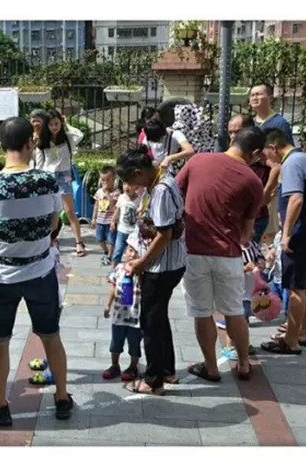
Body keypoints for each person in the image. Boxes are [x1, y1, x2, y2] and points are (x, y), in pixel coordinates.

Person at [0, 116, 73, 426]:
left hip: (1, 276)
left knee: (0, 340)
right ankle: (61, 397)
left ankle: (0, 404)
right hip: (40, 272)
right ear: (31, 143)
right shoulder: (47, 181)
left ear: (1, 145)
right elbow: (55, 224)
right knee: (51, 336)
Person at [175, 127, 266, 383]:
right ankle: (244, 364)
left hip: (193, 251)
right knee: (234, 310)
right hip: (229, 254)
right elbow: (246, 234)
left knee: (202, 311)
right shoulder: (253, 182)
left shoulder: (197, 161)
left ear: (232, 140)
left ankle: (211, 367)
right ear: (255, 153)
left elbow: (175, 192)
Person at [115, 147, 186, 395]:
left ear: (139, 172)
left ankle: (153, 380)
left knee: (151, 322)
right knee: (159, 318)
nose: (130, 186)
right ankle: (167, 370)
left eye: (130, 180)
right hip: (167, 263)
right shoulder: (159, 180)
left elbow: (164, 235)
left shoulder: (161, 190)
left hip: (162, 266)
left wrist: (142, 263)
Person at [260, 128, 306, 355]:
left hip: (300, 233)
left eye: (266, 154)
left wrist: (286, 233)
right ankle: (301, 332)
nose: (267, 160)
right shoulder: (305, 158)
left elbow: (296, 199)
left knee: (296, 287)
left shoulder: (291, 164)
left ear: (273, 147)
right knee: (305, 285)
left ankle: (290, 341)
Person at [31, 109, 87, 257]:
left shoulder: (68, 138)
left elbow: (80, 135)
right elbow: (39, 165)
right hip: (49, 176)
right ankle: (51, 240)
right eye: (51, 124)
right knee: (51, 211)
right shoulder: (43, 142)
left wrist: (66, 124)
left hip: (65, 175)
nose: (54, 127)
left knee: (69, 211)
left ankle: (79, 242)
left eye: (56, 123)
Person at [228, 114, 275, 244]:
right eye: (230, 132)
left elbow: (276, 167)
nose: (233, 136)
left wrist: (266, 192)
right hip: (239, 214)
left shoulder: (258, 152)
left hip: (256, 217)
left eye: (237, 132)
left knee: (247, 251)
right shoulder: (233, 152)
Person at [102, 241, 143, 382]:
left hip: (135, 316)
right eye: (130, 250)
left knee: (134, 344)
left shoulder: (143, 271)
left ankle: (133, 367)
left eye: (136, 252)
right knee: (115, 343)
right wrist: (108, 305)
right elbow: (113, 288)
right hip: (119, 314)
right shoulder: (119, 268)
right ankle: (114, 365)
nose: (132, 255)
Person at [220, 240, 265, 360]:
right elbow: (227, 268)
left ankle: (244, 342)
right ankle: (229, 346)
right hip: (236, 291)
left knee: (245, 319)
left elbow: (260, 256)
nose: (252, 232)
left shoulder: (252, 245)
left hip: (249, 292)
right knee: (235, 318)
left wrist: (261, 263)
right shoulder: (232, 246)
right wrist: (245, 268)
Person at [91, 166, 120, 265]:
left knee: (111, 240)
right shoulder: (99, 192)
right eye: (103, 180)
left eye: (108, 180)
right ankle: (106, 251)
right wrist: (93, 218)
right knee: (100, 239)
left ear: (114, 179)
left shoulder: (116, 193)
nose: (105, 182)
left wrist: (108, 194)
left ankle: (110, 256)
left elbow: (114, 206)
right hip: (100, 220)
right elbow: (96, 205)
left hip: (110, 221)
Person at [111, 182, 141, 270]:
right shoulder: (121, 197)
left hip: (133, 232)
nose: (126, 187)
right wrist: (113, 220)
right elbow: (118, 210)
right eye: (124, 184)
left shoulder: (139, 199)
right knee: (117, 251)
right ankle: (113, 269)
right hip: (122, 231)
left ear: (137, 186)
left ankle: (131, 269)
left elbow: (140, 214)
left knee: (133, 253)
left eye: (130, 184)